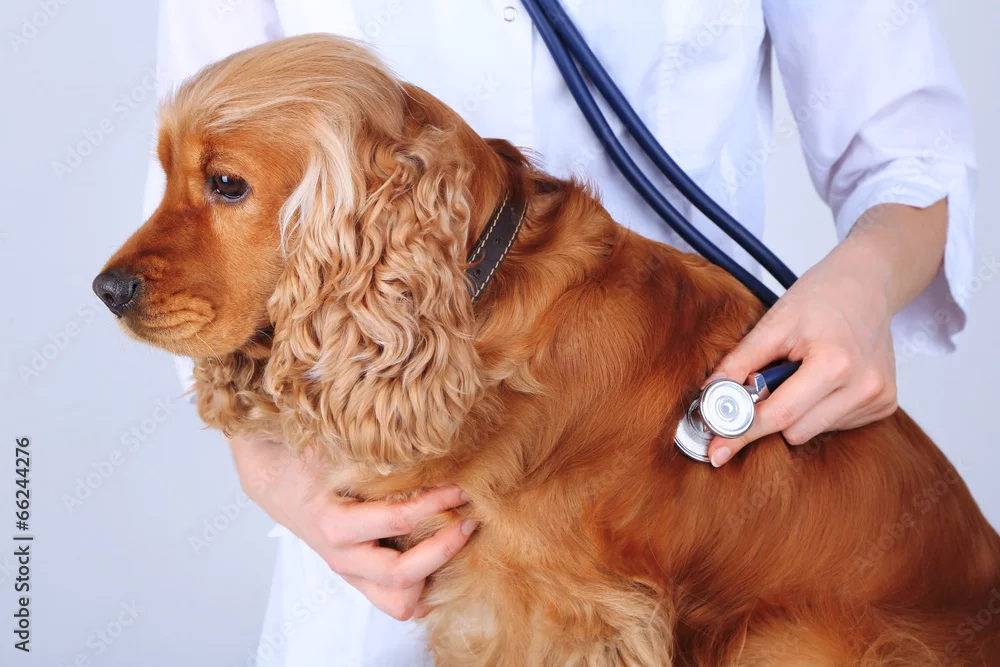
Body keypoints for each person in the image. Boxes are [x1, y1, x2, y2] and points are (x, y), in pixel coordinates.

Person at [145, 1, 977, 665]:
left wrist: (865, 283)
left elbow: (909, 152)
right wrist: (282, 480)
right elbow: (200, 229)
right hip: (359, 524)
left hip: (708, 444)